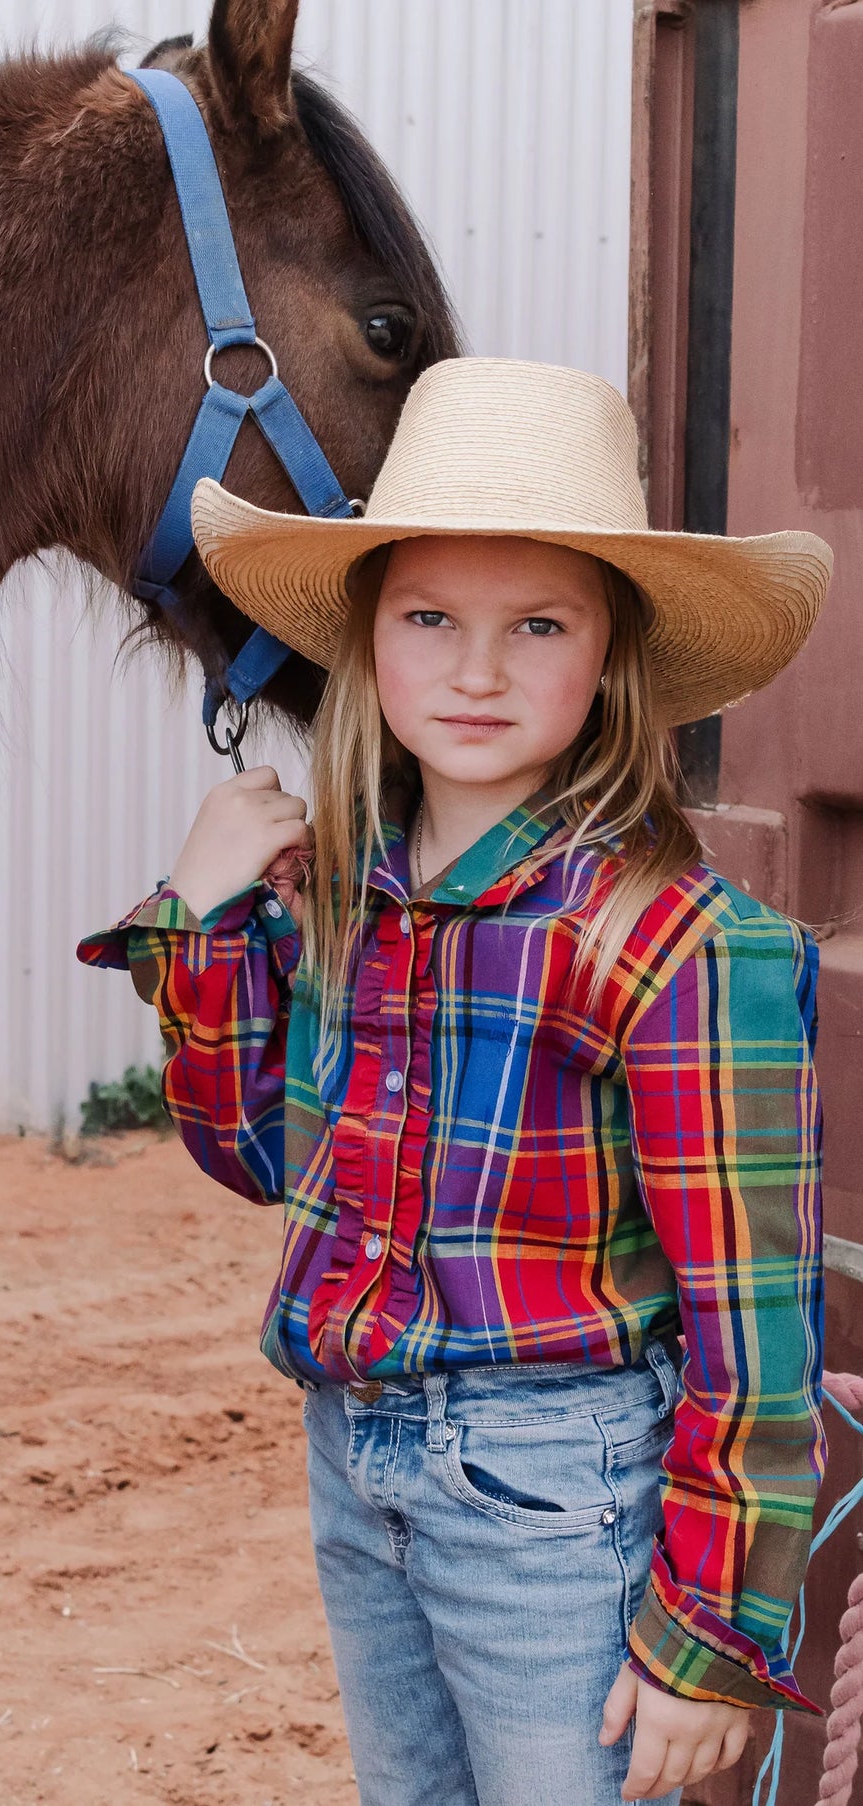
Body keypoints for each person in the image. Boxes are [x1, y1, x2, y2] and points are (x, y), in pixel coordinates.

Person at [78, 358, 835, 1806]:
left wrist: (710, 1635)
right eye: (430, 619)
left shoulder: (673, 942)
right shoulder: (341, 903)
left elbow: (754, 1321)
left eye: (533, 624)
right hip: (358, 1465)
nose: (475, 671)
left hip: (558, 1493)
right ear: (369, 644)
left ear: (607, 654)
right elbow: (252, 1155)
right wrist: (204, 909)